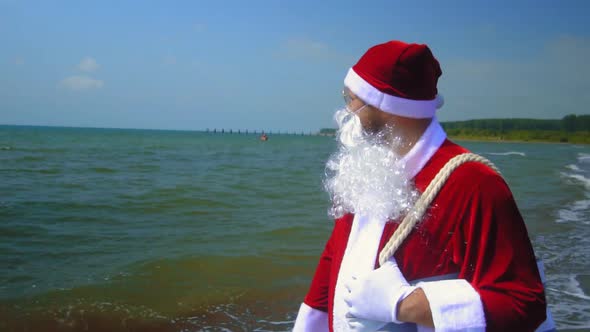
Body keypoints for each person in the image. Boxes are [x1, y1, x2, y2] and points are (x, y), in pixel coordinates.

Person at [293, 40, 552, 331]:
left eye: (351, 99)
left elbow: (524, 303)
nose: (346, 111)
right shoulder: (366, 171)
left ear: (386, 106)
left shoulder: (473, 183)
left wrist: (404, 305)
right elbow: (332, 263)